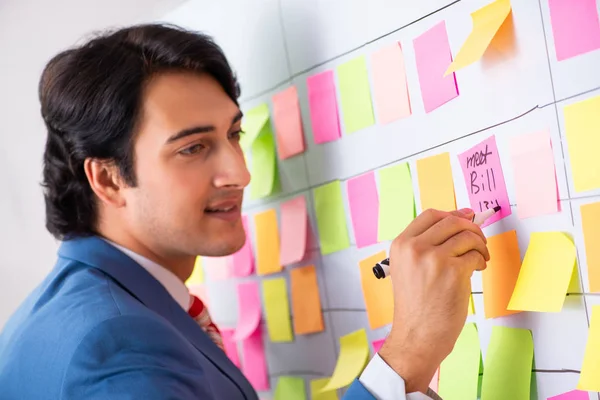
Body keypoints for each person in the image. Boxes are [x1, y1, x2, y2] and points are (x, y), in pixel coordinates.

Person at [0, 24, 489, 399]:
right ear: (108, 178)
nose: (238, 172)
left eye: (233, 134)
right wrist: (408, 355)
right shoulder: (116, 345)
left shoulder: (88, 306)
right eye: (193, 148)